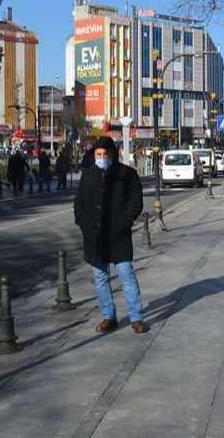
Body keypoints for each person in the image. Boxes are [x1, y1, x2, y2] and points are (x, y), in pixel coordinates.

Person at [74, 136, 148, 334]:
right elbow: (79, 204)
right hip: (95, 238)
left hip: (118, 236)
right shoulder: (88, 175)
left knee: (126, 276)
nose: (101, 157)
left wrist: (123, 223)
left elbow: (136, 203)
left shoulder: (127, 174)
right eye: (98, 154)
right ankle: (109, 317)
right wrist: (84, 225)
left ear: (112, 154)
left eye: (104, 154)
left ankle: (137, 317)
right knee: (100, 278)